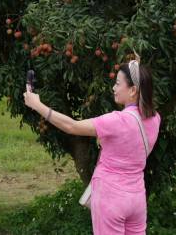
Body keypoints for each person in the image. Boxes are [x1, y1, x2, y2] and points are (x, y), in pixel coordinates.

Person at [23, 58, 161, 235]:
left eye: (118, 84)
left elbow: (71, 126)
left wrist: (37, 105)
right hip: (137, 198)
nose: (114, 88)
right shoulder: (155, 119)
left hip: (111, 197)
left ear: (133, 90)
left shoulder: (117, 121)